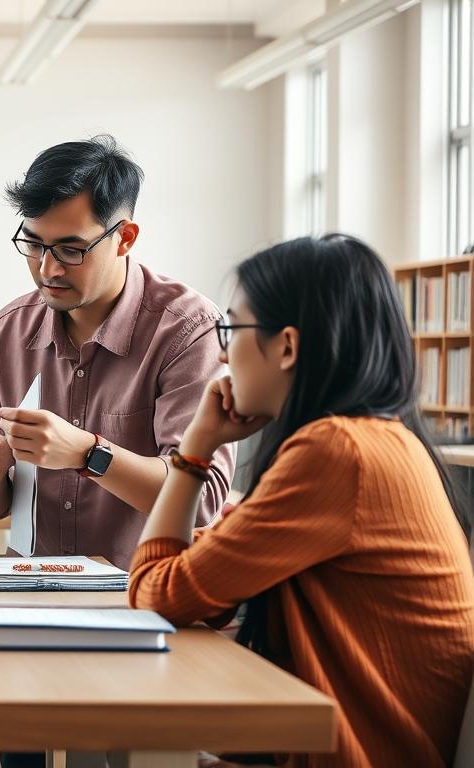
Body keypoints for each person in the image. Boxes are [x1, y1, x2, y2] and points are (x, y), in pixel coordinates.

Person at [130, 235, 474, 766]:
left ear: (287, 346)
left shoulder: (337, 452)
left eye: (232, 328)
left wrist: (196, 447)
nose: (222, 353)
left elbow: (157, 591)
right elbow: (197, 575)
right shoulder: (375, 441)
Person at [0, 135, 234, 571]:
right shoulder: (7, 332)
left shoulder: (188, 332)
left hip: (143, 597)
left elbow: (202, 502)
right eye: (33, 245)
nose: (48, 269)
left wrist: (87, 454)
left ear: (125, 238)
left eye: (70, 249)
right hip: (28, 590)